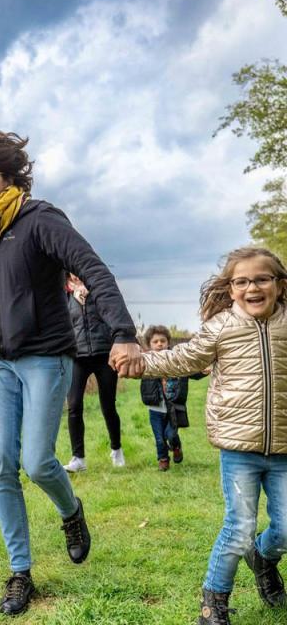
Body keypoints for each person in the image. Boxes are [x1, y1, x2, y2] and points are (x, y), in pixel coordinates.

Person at [0, 131, 143, 616]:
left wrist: (123, 332)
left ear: (9, 175)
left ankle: (71, 512)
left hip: (47, 357)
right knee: (0, 465)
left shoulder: (40, 220)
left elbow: (93, 269)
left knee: (37, 462)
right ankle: (20, 573)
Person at [129, 247, 287, 624]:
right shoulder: (221, 328)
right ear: (231, 290)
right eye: (242, 281)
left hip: (284, 447)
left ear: (279, 286)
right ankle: (213, 605)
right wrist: (140, 364)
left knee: (284, 529)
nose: (253, 287)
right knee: (239, 527)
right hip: (238, 448)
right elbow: (181, 359)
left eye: (262, 279)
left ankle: (262, 556)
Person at [63, 273, 125, 472]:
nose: (75, 274)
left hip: (103, 354)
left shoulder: (98, 290)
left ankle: (116, 449)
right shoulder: (63, 295)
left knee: (108, 405)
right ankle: (78, 458)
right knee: (73, 406)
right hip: (77, 357)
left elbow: (113, 317)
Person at [140, 324, 205, 471]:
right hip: (155, 408)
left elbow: (190, 370)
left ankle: (176, 446)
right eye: (155, 342)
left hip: (173, 406)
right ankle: (163, 459)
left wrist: (203, 371)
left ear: (168, 342)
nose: (159, 344)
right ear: (149, 345)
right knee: (159, 437)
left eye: (162, 341)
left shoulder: (176, 360)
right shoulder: (146, 361)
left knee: (170, 434)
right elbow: (134, 371)